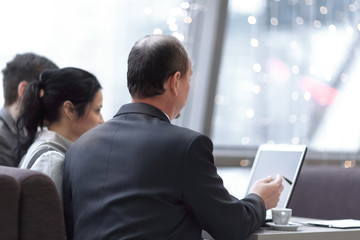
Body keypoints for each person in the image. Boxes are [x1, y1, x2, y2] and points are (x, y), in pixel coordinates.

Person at [63, 35, 283, 240]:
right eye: (189, 78)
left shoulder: (79, 147)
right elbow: (233, 227)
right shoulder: (186, 147)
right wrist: (259, 200)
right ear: (174, 82)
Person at [18, 67, 104, 199]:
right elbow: (47, 218)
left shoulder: (49, 149)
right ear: (69, 109)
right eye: (97, 111)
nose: (101, 121)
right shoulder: (51, 161)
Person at [0, 53, 58, 167]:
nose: (53, 104)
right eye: (48, 95)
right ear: (24, 91)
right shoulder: (2, 139)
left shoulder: (28, 133)